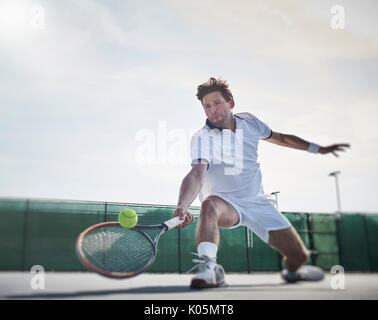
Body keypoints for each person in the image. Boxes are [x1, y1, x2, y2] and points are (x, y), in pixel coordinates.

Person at [172, 77, 350, 289]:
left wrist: (319, 149)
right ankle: (209, 268)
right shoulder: (202, 138)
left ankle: (292, 272)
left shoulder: (250, 122)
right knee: (208, 204)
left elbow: (282, 138)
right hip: (225, 204)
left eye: (217, 103)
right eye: (206, 106)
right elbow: (196, 173)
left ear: (231, 103)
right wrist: (182, 204)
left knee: (299, 255)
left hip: (258, 203)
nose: (212, 109)